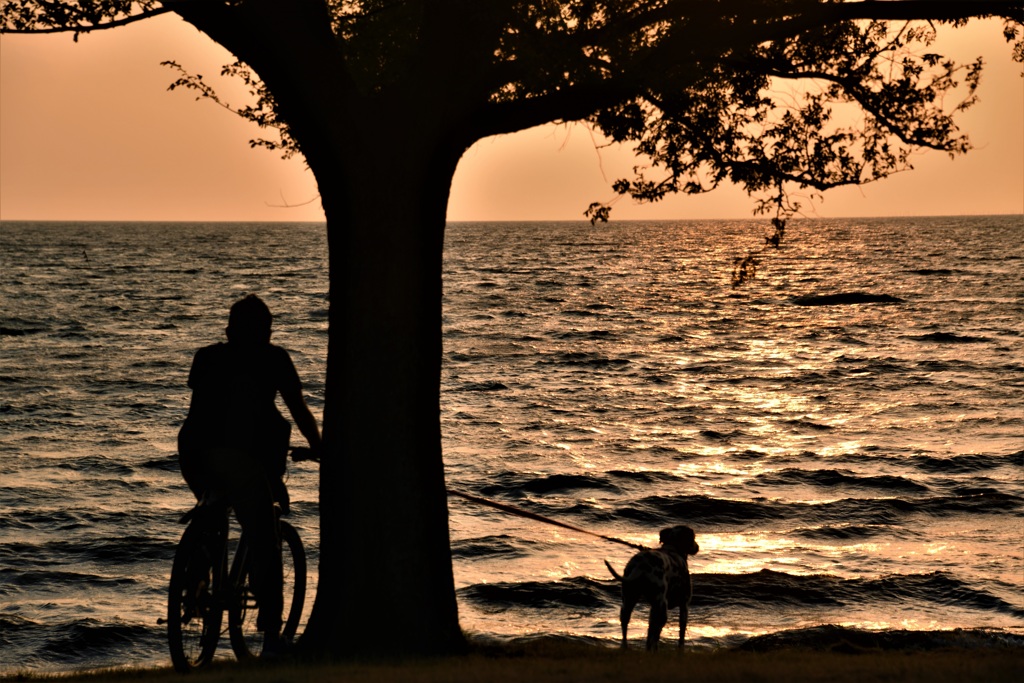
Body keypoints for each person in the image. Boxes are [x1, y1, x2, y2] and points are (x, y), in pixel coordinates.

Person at [177, 294, 322, 655]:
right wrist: (319, 447)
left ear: (229, 330)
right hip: (241, 458)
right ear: (267, 332)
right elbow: (297, 409)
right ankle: (272, 637)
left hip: (194, 455)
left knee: (212, 511)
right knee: (264, 539)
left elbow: (205, 407)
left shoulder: (206, 357)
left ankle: (196, 581)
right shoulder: (274, 359)